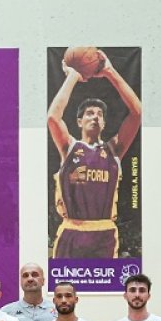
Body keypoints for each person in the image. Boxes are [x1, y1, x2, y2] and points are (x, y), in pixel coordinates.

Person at [47, 50, 141, 259]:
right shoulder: (69, 147)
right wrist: (73, 76)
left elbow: (137, 113)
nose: (95, 117)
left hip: (104, 234)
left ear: (105, 123)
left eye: (100, 114)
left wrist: (110, 71)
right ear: (79, 121)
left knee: (105, 290)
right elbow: (53, 117)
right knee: (62, 289)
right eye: (90, 113)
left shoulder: (113, 149)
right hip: (72, 231)